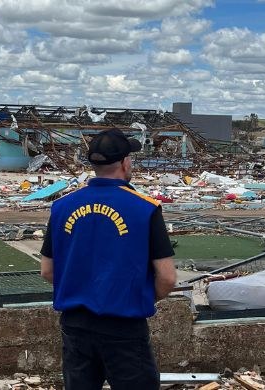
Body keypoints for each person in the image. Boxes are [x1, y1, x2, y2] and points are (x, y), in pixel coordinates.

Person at [40, 128, 177, 390]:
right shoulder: (145, 207)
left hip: (75, 325)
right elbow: (167, 278)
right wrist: (137, 296)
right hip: (124, 326)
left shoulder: (62, 206)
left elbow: (47, 270)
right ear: (125, 162)